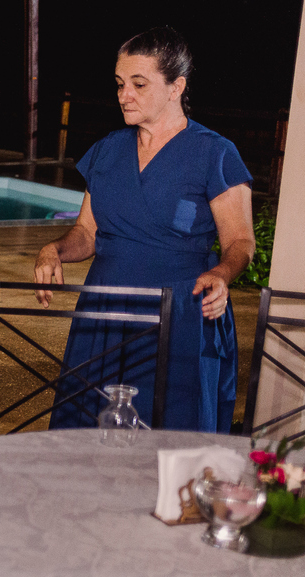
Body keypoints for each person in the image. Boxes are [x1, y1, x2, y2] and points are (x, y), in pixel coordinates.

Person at [34, 26, 255, 432]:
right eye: (120, 84)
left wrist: (222, 274)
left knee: (173, 436)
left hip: (182, 315)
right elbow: (87, 232)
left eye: (138, 84)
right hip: (106, 310)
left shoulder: (214, 153)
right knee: (88, 434)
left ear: (176, 87)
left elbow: (240, 241)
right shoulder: (106, 150)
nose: (124, 95)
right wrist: (55, 250)